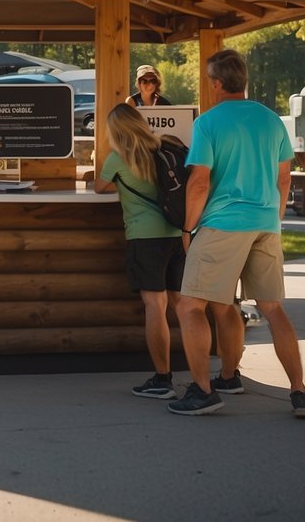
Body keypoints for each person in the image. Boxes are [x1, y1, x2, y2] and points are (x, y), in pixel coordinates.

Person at [173, 49, 305, 418]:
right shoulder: (271, 121)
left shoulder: (208, 122)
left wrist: (188, 228)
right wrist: (274, 218)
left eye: (209, 80)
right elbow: (285, 178)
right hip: (266, 223)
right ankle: (298, 392)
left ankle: (203, 390)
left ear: (217, 84)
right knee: (272, 309)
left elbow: (199, 182)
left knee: (189, 305)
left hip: (223, 224)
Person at [94, 103, 185, 400]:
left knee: (155, 307)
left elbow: (99, 188)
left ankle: (163, 378)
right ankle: (202, 376)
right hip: (176, 233)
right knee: (184, 307)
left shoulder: (118, 158)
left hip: (145, 238)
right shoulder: (163, 147)